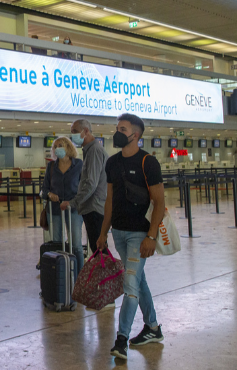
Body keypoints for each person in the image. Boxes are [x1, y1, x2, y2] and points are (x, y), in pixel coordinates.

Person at [97, 113, 165, 360]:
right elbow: (109, 201)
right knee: (138, 280)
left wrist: (151, 236)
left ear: (135, 135)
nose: (117, 132)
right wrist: (103, 232)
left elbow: (159, 202)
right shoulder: (112, 163)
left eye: (122, 129)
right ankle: (153, 327)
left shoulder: (148, 163)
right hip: (119, 232)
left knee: (130, 286)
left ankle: (121, 340)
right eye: (117, 128)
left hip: (139, 234)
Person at [40, 137, 84, 275]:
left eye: (61, 145)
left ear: (68, 147)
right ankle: (59, 274)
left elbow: (84, 188)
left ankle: (80, 274)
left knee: (76, 244)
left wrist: (74, 201)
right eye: (56, 146)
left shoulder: (79, 165)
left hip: (74, 208)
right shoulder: (51, 166)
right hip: (55, 209)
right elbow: (44, 190)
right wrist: (49, 194)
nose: (57, 148)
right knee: (57, 243)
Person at [70, 119, 109, 254]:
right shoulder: (90, 150)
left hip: (94, 208)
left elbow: (91, 183)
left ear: (85, 131)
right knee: (97, 248)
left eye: (75, 131)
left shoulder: (94, 151)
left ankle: (104, 269)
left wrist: (74, 202)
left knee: (99, 250)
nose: (73, 135)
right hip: (91, 208)